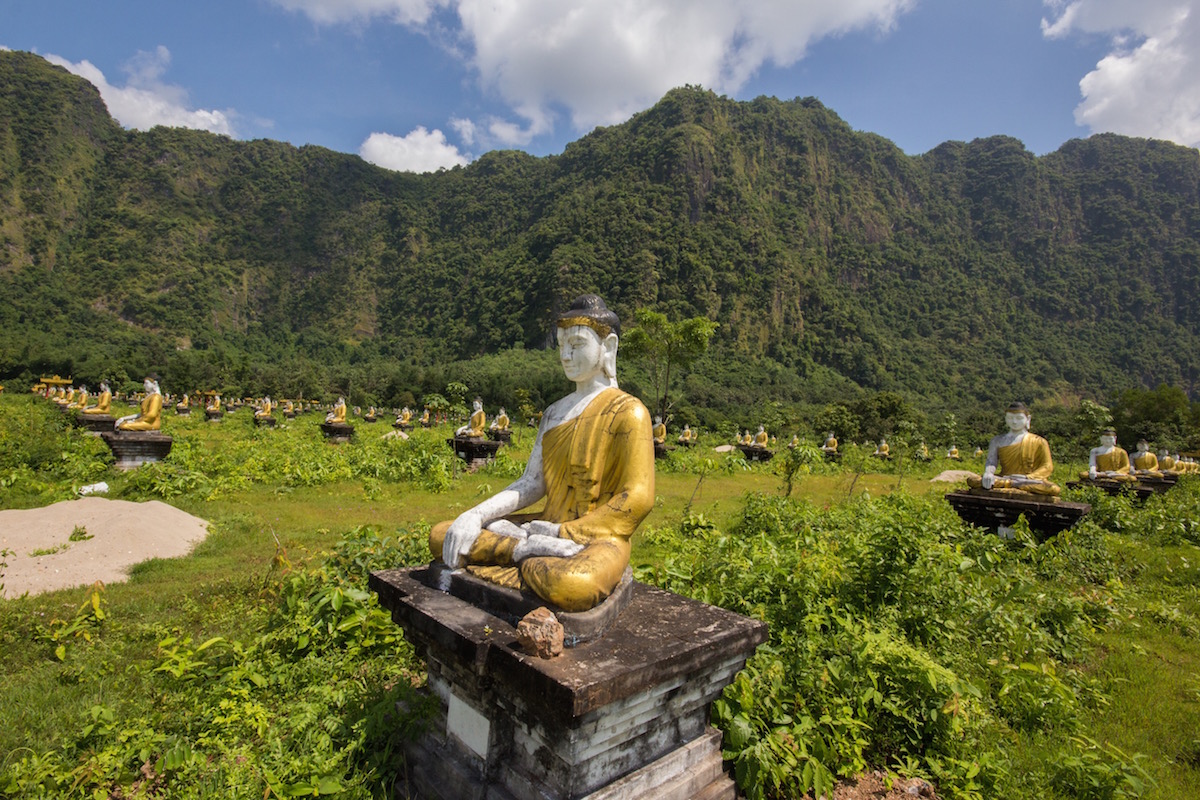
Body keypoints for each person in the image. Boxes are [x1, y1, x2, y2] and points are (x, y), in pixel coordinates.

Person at [429, 295, 654, 613]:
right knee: (445, 533)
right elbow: (532, 483)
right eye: (561, 345)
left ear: (609, 347)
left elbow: (637, 498)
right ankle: (522, 551)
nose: (565, 355)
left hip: (596, 537)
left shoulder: (628, 411)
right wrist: (475, 515)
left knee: (572, 582)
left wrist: (565, 532)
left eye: (575, 344)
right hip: (540, 531)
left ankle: (520, 552)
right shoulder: (552, 413)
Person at [966, 402, 1060, 496]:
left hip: (1029, 479)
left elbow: (1047, 466)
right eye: (1010, 418)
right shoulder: (997, 440)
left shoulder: (1039, 441)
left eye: (1019, 418)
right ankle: (1015, 484)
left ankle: (1014, 484)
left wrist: (1028, 478)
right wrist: (988, 473)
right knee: (973, 480)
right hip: (1005, 477)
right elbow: (991, 462)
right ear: (1005, 418)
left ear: (1028, 419)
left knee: (1053, 489)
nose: (1014, 422)